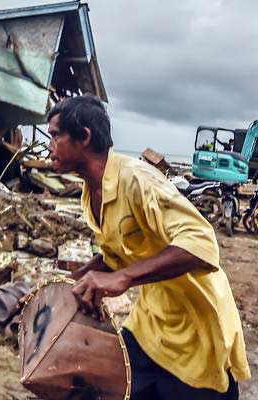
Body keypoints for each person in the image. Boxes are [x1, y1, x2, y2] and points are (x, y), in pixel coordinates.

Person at [47, 94, 250, 399]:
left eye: (55, 135)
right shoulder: (92, 191)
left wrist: (124, 278)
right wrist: (73, 284)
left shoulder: (138, 180)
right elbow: (118, 254)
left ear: (84, 137)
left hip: (196, 330)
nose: (49, 144)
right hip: (151, 322)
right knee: (111, 386)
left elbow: (201, 242)